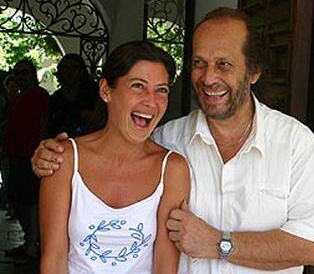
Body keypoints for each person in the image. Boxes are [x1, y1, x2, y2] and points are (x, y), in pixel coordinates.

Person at [32, 7, 314, 273]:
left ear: (253, 71)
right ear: (106, 90)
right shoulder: (167, 140)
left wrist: (218, 243)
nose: (208, 77)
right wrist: (48, 156)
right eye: (200, 63)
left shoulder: (295, 143)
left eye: (224, 65)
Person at [39, 41, 190, 273]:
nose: (151, 101)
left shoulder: (171, 168)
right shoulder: (65, 159)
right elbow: (54, 260)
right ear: (105, 91)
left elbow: (165, 266)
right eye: (138, 86)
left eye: (161, 90)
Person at [4, 59, 49, 261]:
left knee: (30, 200)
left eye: (25, 73)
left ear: (33, 75)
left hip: (29, 156)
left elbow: (43, 123)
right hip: (15, 154)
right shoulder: (19, 97)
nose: (21, 77)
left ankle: (33, 244)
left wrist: (38, 150)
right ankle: (29, 241)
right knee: (18, 199)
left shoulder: (38, 95)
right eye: (18, 73)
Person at [46, 53, 99, 138]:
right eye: (65, 68)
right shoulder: (56, 98)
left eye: (74, 68)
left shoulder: (93, 91)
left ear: (81, 71)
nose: (69, 72)